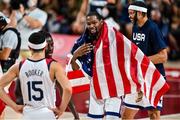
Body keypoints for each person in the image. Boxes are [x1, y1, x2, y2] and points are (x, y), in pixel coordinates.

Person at [0, 31, 72, 119]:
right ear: (45, 47)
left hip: (28, 114)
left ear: (29, 48)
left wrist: (14, 106)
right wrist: (61, 110)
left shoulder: (19, 66)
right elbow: (68, 89)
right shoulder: (54, 66)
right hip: (47, 113)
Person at [71, 12, 122, 119]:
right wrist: (75, 56)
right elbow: (74, 69)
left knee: (111, 118)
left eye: (94, 23)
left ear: (101, 22)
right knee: (94, 118)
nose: (91, 26)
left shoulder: (112, 36)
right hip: (96, 83)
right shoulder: (84, 41)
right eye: (88, 24)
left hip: (113, 82)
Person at [122, 1, 168, 119]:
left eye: (132, 13)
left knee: (153, 113)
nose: (129, 16)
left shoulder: (153, 28)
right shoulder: (135, 26)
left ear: (141, 13)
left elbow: (163, 56)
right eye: (129, 13)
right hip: (138, 76)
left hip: (153, 77)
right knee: (126, 115)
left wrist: (141, 61)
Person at [0, 11, 21, 119]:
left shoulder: (9, 34)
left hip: (5, 69)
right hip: (3, 68)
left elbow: (4, 55)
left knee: (1, 99)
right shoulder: (4, 32)